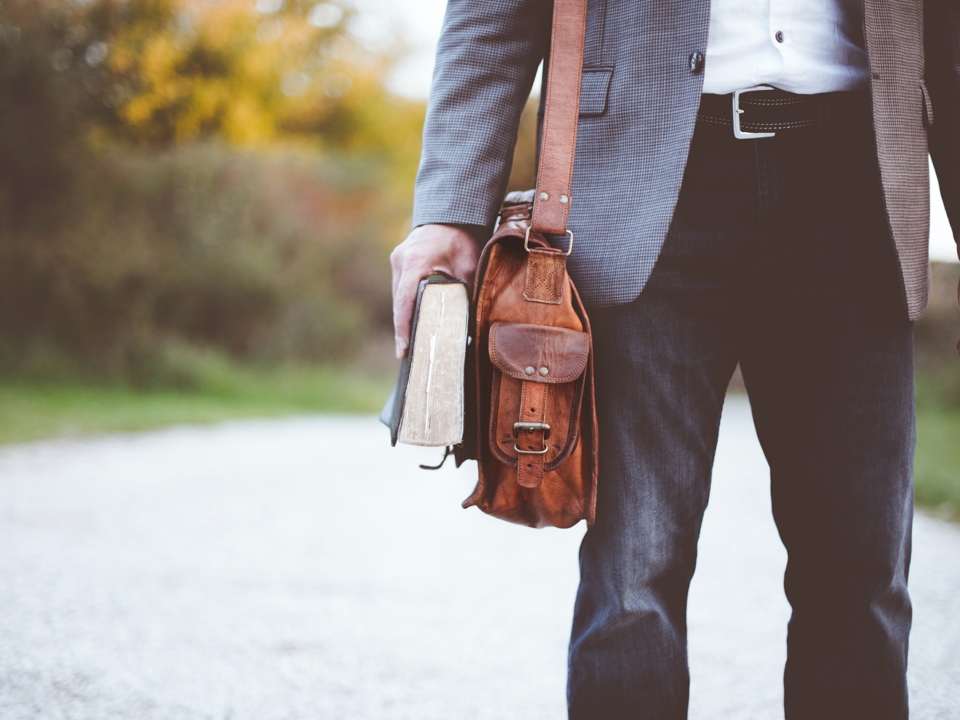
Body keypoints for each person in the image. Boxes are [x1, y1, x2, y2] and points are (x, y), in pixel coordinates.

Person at [389, 1, 960, 717]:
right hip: (646, 182)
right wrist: (449, 209)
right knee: (633, 577)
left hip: (859, 186)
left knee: (863, 580)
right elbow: (492, 17)